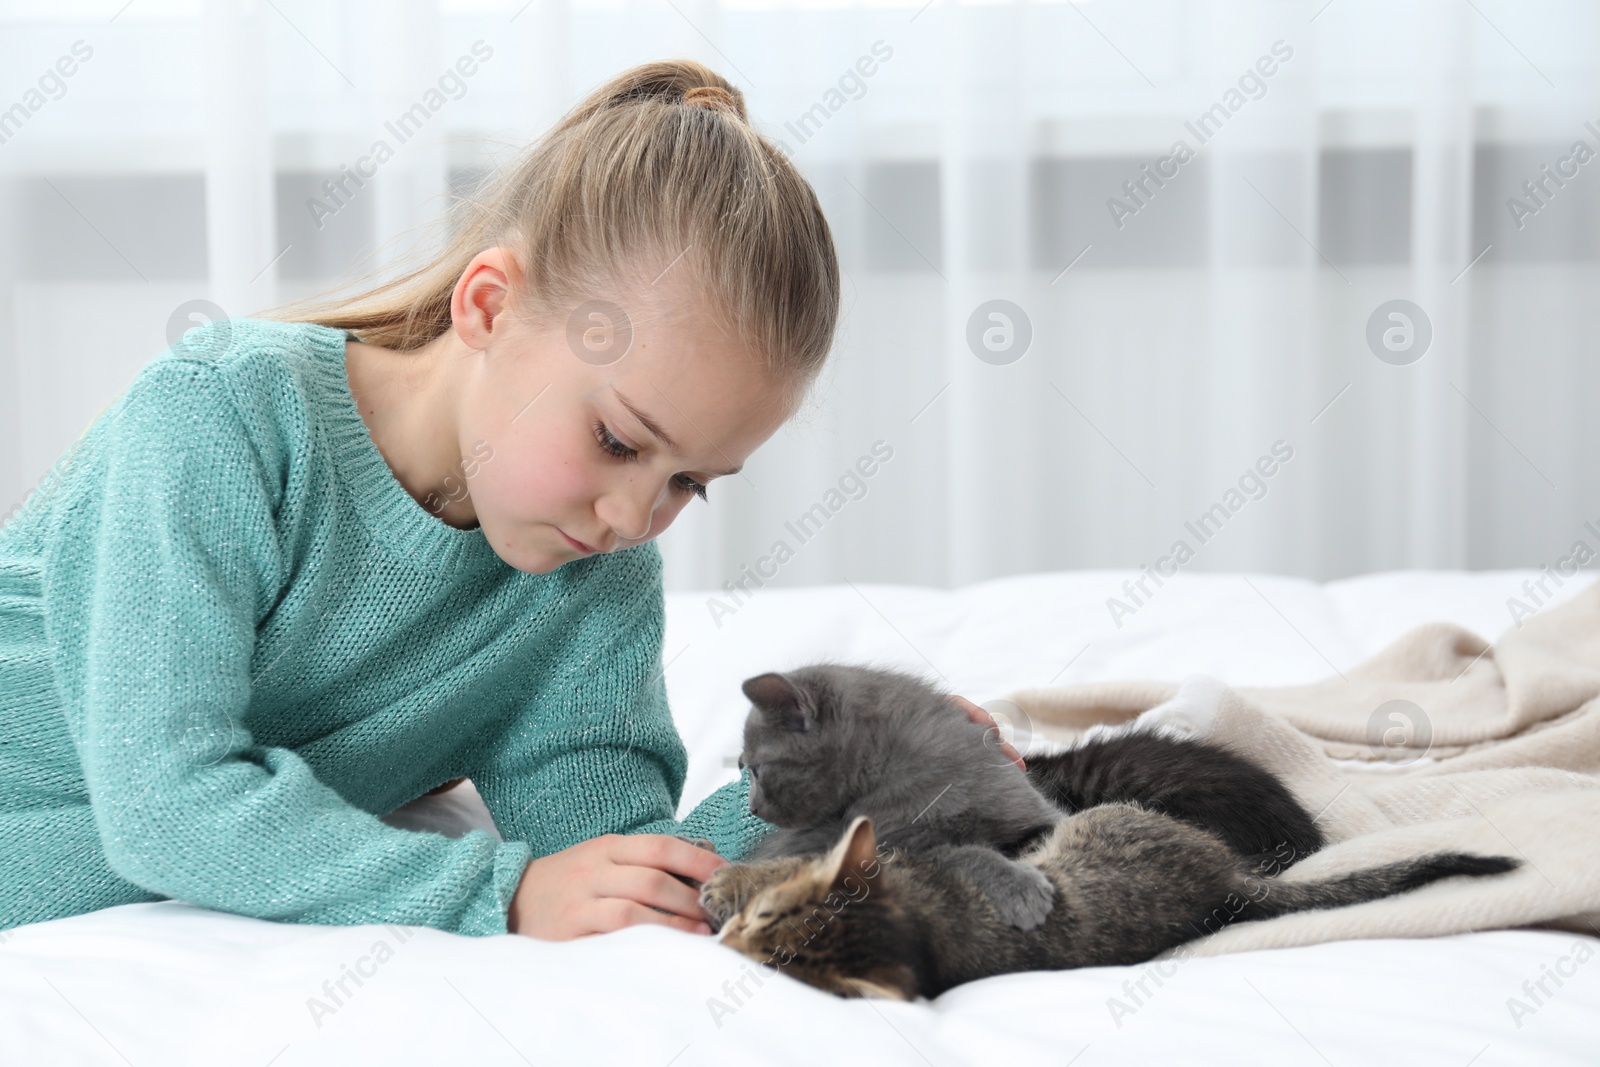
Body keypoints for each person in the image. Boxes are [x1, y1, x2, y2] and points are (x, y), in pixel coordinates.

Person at [0, 60, 1019, 942]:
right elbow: (162, 804)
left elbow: (621, 870)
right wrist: (494, 888)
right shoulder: (219, 414)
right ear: (487, 304)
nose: (631, 517)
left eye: (686, 483)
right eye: (618, 439)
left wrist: (864, 777)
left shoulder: (589, 578)